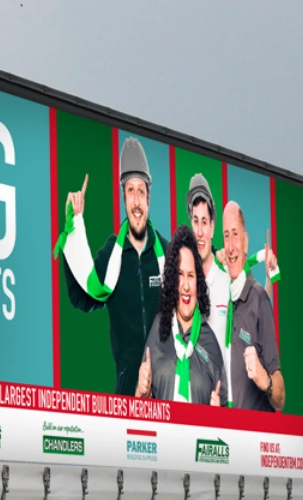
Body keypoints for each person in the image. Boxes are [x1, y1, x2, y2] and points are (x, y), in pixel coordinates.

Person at [57, 136, 164, 395]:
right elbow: (83, 297)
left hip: (166, 390)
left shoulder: (168, 253)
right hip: (127, 390)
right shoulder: (111, 254)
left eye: (141, 191)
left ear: (149, 198)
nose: (137, 201)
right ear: (123, 198)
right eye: (131, 191)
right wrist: (74, 229)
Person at [136, 224, 224, 404]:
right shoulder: (158, 329)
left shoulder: (211, 343)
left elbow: (227, 422)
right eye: (179, 275)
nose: (185, 285)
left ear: (198, 282)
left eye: (191, 275)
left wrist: (218, 418)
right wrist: (141, 393)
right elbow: (139, 409)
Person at [220, 200, 284, 412]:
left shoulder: (258, 299)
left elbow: (280, 399)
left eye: (235, 235)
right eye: (226, 236)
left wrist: (264, 380)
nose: (231, 246)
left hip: (250, 439)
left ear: (246, 242)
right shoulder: (218, 298)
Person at [187, 174, 232, 402]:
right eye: (195, 221)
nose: (200, 231)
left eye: (204, 222)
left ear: (213, 227)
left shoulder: (228, 285)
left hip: (224, 409)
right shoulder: (181, 287)